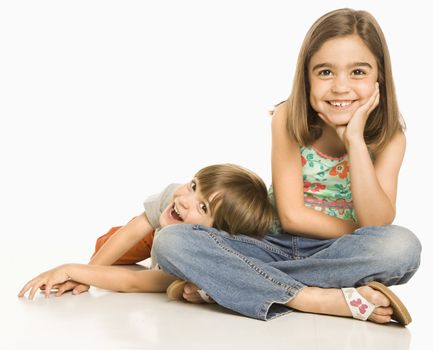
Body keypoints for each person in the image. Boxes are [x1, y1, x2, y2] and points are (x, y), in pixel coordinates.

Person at [150, 8, 422, 325]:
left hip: (337, 255)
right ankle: (313, 297)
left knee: (402, 247)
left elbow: (377, 223)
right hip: (267, 243)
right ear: (306, 77)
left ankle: (234, 283)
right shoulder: (287, 118)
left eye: (358, 72)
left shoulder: (390, 138)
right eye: (325, 72)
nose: (340, 87)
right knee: (173, 240)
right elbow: (292, 216)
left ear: (380, 77)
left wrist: (356, 143)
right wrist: (357, 229)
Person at [17, 164, 274, 300]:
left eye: (203, 206)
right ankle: (152, 236)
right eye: (193, 185)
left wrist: (72, 270)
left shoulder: (193, 255)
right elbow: (131, 232)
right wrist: (88, 274)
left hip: (173, 244)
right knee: (105, 245)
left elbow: (134, 282)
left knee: (123, 267)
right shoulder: (177, 199)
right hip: (161, 228)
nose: (186, 199)